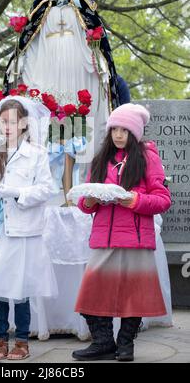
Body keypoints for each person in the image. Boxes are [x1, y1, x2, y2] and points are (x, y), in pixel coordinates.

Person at [4, 0, 121, 194]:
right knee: (49, 124)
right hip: (46, 70)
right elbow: (28, 46)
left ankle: (79, 181)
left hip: (78, 71)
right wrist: (22, 64)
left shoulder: (82, 6)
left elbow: (97, 43)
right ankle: (48, 181)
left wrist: (96, 59)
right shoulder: (40, 7)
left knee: (81, 122)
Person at [72, 103, 171, 362]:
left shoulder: (148, 157)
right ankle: (103, 342)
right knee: (92, 292)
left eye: (124, 130)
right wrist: (90, 201)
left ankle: (125, 344)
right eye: (114, 128)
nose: (118, 134)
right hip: (104, 239)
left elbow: (162, 199)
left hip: (136, 240)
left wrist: (134, 200)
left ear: (134, 132)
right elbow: (85, 202)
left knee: (133, 296)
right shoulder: (101, 159)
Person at [0, 96, 57, 360]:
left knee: (19, 288)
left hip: (22, 230)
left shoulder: (36, 155)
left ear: (24, 124)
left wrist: (17, 192)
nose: (7, 126)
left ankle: (22, 342)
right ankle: (1, 340)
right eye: (3, 121)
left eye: (13, 122)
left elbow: (45, 190)